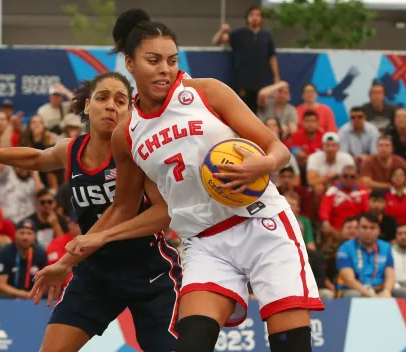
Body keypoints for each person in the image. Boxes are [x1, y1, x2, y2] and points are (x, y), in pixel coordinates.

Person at [56, 9, 323, 352]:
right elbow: (124, 205)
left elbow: (278, 148)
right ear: (130, 63)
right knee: (191, 343)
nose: (164, 69)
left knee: (291, 345)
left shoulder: (207, 93)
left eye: (171, 59)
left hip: (261, 222)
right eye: (153, 60)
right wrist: (90, 244)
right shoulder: (128, 133)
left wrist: (263, 164)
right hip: (204, 241)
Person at [0, 71, 182, 352]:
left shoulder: (140, 152)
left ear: (129, 110)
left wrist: (92, 243)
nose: (111, 106)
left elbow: (163, 215)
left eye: (120, 100)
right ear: (87, 106)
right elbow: (34, 157)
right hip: (96, 273)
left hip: (148, 272)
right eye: (102, 98)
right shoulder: (71, 150)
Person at [336, 212, 406, 298]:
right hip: (354, 289)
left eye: (372, 228)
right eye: (364, 227)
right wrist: (371, 295)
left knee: (404, 292)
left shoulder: (385, 247)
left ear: (379, 230)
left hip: (379, 288)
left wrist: (387, 291)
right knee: (353, 294)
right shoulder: (345, 248)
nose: (368, 231)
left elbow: (390, 274)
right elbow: (349, 280)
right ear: (358, 229)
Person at [0, 219, 47, 299]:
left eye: (29, 233)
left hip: (33, 294)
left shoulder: (41, 253)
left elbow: (45, 282)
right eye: (22, 233)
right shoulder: (4, 253)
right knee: (0, 296)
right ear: (15, 234)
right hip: (11, 295)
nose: (25, 237)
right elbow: (0, 285)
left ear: (34, 236)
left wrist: (34, 293)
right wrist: (24, 294)